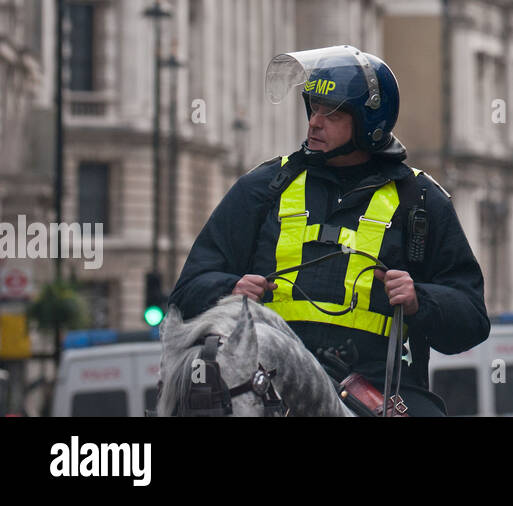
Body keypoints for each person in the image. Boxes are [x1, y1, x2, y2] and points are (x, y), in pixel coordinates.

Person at [170, 45, 489, 416]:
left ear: (370, 122)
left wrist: (421, 299)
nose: (314, 122)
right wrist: (229, 290)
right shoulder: (262, 188)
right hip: (265, 386)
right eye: (314, 108)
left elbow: (473, 319)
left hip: (374, 387)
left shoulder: (420, 200)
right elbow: (184, 296)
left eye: (332, 113)